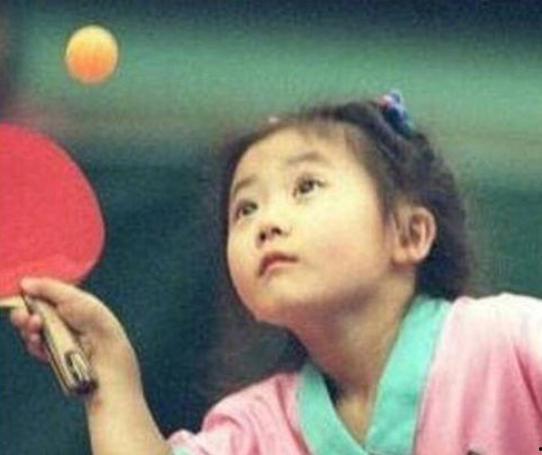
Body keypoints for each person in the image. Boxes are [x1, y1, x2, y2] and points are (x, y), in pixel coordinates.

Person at [10, 91, 542, 455]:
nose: (267, 223)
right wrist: (110, 381)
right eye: (245, 209)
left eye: (305, 187)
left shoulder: (510, 341)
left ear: (410, 234)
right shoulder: (253, 429)